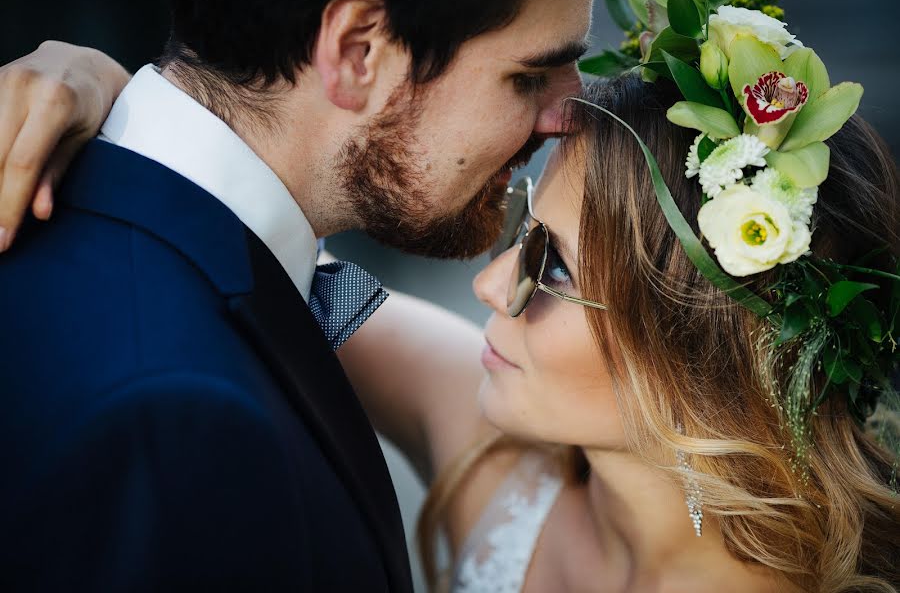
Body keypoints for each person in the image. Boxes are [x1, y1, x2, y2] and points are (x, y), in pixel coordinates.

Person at [4, 62, 900, 593]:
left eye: (550, 269)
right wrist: (103, 88)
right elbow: (268, 255)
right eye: (524, 236)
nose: (486, 284)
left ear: (699, 355)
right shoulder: (491, 453)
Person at [0, 0, 592, 590]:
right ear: (357, 51)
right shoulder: (177, 424)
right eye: (528, 78)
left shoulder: (112, 231)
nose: (569, 116)